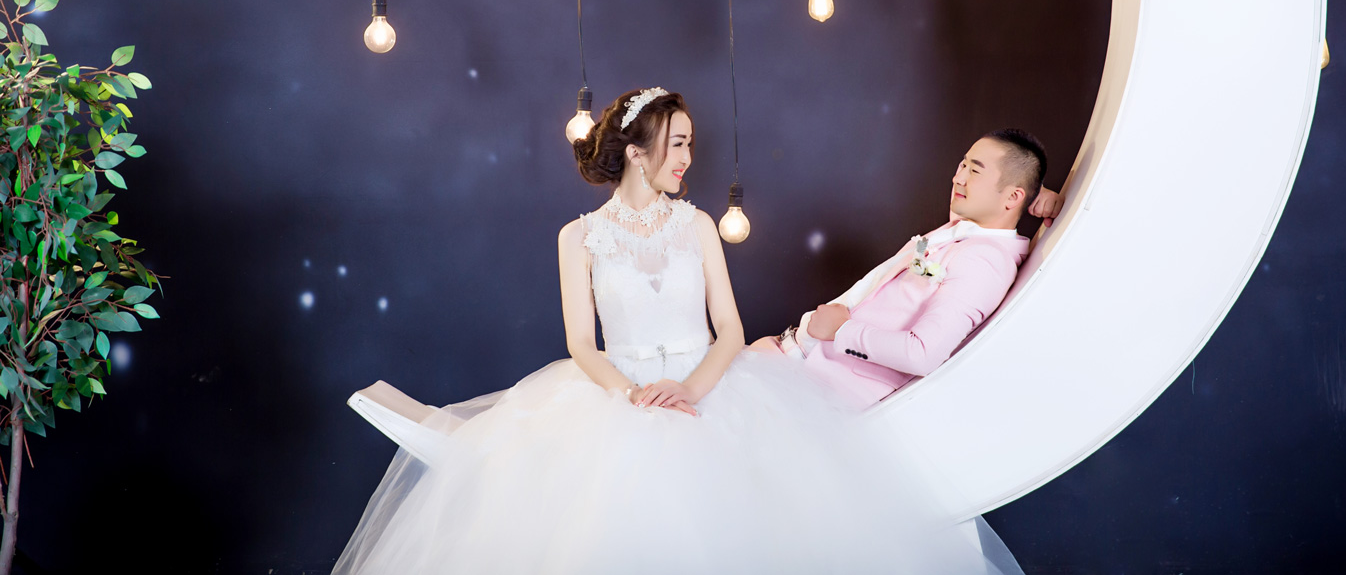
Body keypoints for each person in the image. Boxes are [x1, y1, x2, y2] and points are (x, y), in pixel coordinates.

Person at [332, 89, 1022, 575]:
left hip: (711, 386)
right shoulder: (578, 237)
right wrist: (631, 396)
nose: (690, 156)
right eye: (680, 143)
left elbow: (731, 329)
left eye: (691, 143)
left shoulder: (697, 225)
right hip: (617, 390)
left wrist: (689, 390)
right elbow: (580, 343)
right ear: (637, 151)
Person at [751, 129, 1059, 410]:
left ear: (1012, 196)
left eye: (974, 171)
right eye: (962, 164)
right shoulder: (967, 228)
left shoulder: (984, 261)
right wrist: (1035, 193)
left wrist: (842, 331)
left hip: (806, 385)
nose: (958, 178)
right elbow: (1002, 196)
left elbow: (922, 353)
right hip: (783, 357)